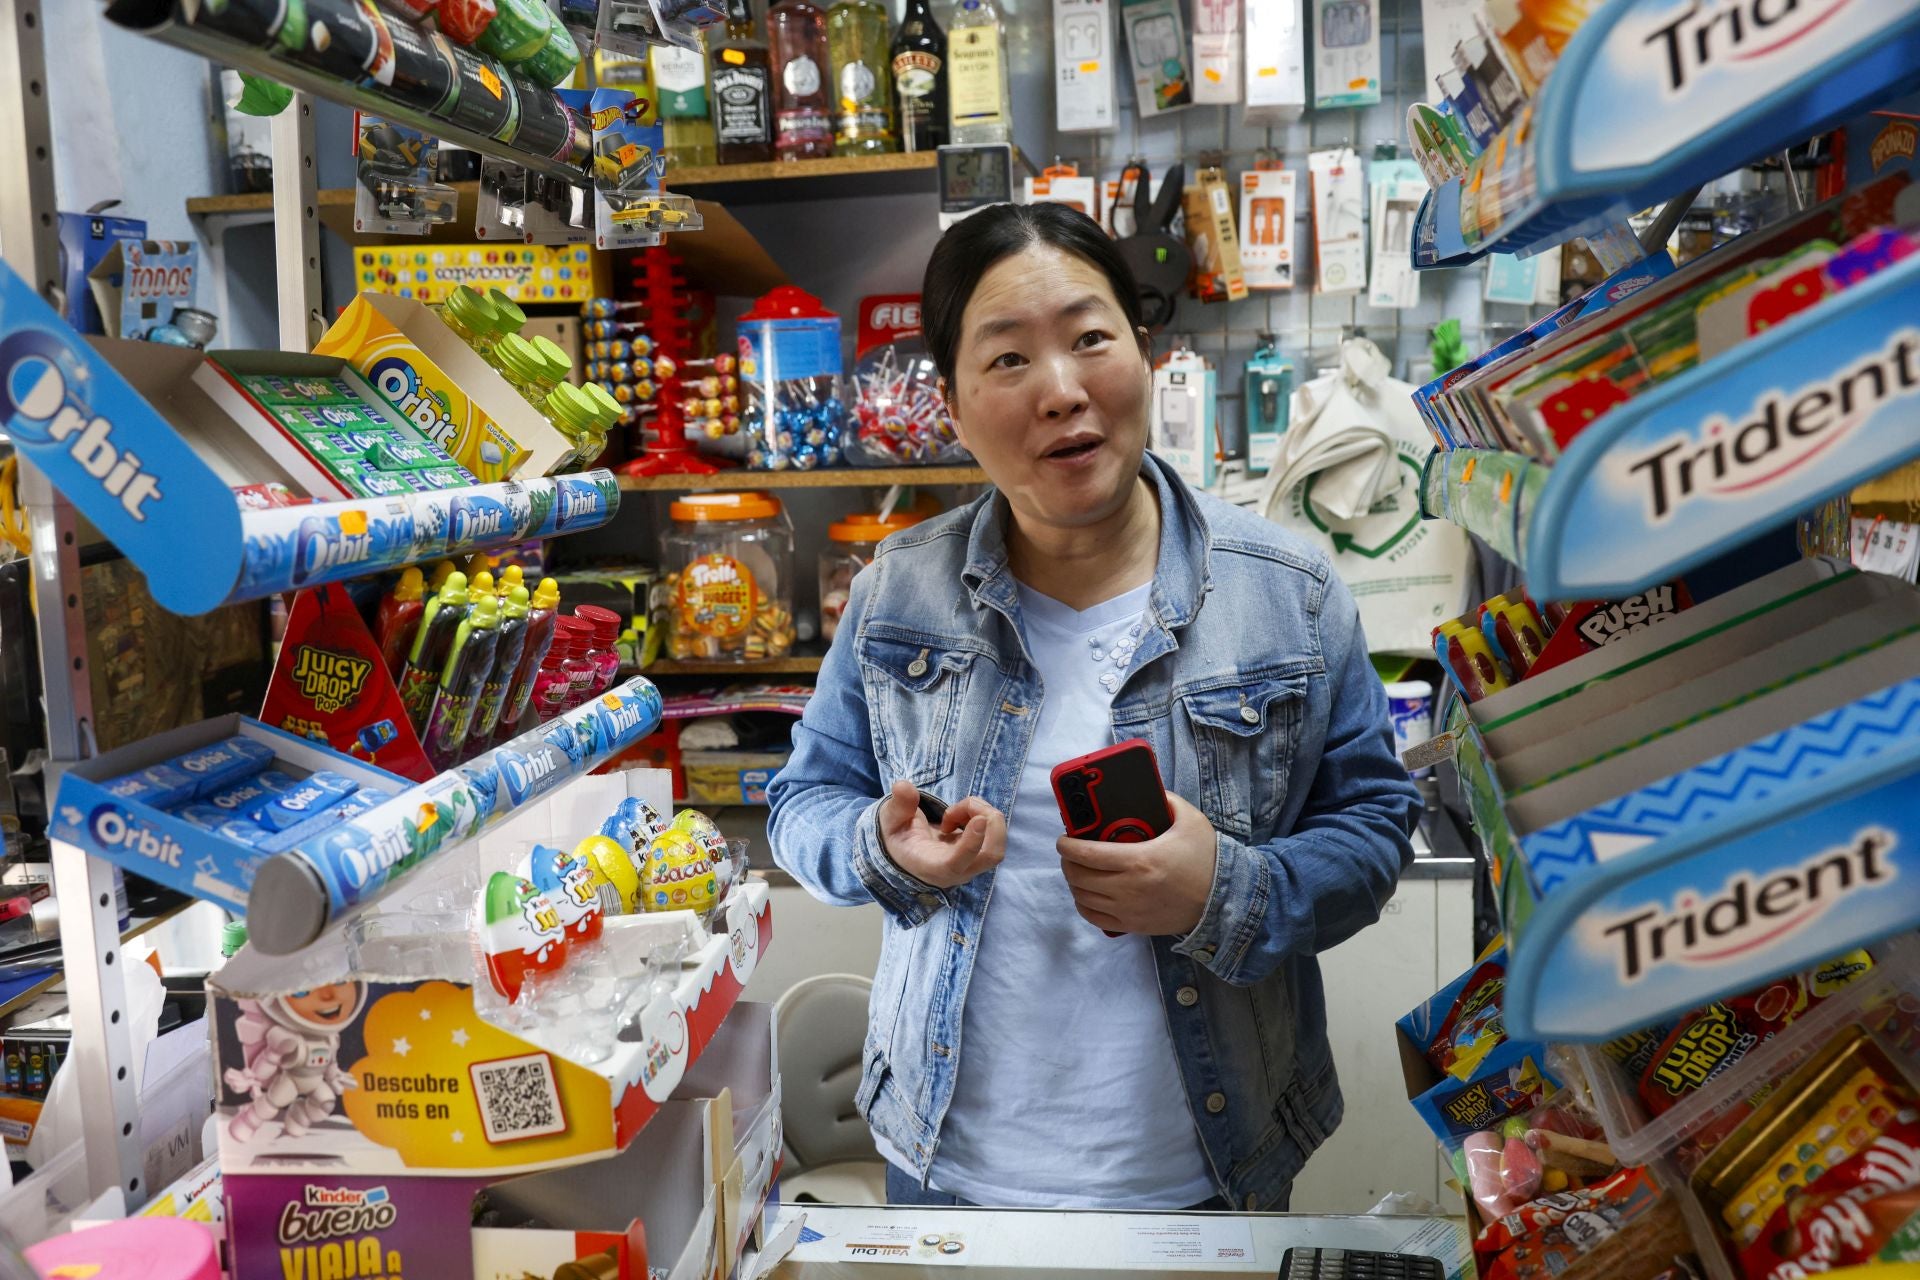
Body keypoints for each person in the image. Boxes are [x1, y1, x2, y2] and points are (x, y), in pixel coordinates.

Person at [767, 202, 1420, 1212]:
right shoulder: (897, 592)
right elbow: (801, 803)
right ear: (952, 402)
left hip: (1208, 1169)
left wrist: (1226, 887)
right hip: (950, 1170)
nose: (1062, 390)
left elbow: (1375, 831)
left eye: (1088, 338)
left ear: (1145, 354)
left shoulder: (1286, 590)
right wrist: (883, 849)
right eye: (1008, 359)